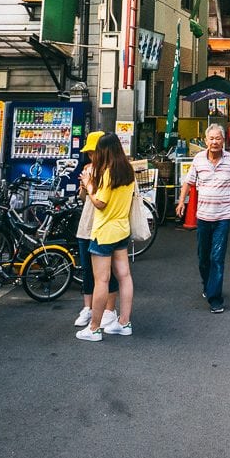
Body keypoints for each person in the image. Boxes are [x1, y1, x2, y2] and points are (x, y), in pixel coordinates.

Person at [175, 123, 230, 313]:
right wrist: (182, 202)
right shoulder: (198, 159)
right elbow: (188, 183)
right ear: (206, 141)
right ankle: (208, 285)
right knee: (203, 257)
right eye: (211, 139)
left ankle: (215, 299)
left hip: (223, 216)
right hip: (203, 216)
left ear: (224, 140)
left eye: (218, 138)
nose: (215, 142)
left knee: (217, 257)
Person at [76, 132, 135, 341]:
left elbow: (100, 202)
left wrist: (89, 185)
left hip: (104, 231)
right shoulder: (128, 170)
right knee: (124, 276)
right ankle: (124, 322)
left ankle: (94, 328)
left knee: (101, 280)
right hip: (122, 229)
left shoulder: (107, 173)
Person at [73, 130, 119, 332]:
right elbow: (84, 200)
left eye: (94, 152)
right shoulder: (88, 169)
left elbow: (101, 202)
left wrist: (91, 186)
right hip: (87, 225)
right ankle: (88, 307)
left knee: (108, 273)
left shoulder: (112, 171)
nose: (92, 157)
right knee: (87, 270)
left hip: (105, 227)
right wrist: (83, 186)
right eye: (89, 153)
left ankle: (109, 310)